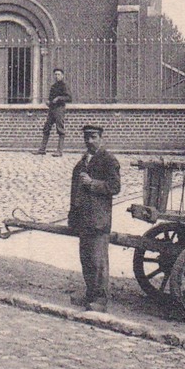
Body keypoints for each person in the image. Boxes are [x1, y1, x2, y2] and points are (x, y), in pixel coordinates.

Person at [68, 123, 121, 311]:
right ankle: (90, 294)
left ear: (101, 138)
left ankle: (100, 300)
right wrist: (72, 216)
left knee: (98, 261)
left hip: (99, 220)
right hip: (84, 219)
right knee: (86, 259)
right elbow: (74, 192)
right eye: (87, 137)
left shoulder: (109, 160)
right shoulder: (82, 162)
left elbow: (114, 187)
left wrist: (92, 184)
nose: (89, 141)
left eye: (93, 137)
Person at [36, 68, 72, 156]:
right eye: (55, 74)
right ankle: (42, 149)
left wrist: (59, 98)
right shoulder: (53, 86)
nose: (57, 76)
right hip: (52, 109)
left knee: (60, 129)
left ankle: (59, 151)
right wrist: (48, 101)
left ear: (62, 76)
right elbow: (50, 98)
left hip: (59, 109)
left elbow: (69, 98)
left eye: (58, 74)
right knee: (46, 128)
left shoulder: (64, 86)